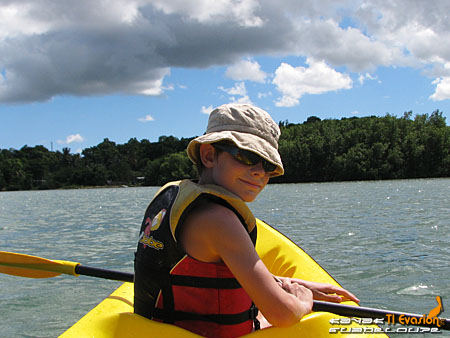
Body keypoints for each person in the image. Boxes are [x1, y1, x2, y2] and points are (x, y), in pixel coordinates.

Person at [134, 103, 359, 337]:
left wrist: (287, 284)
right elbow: (282, 314)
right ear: (209, 155)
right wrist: (303, 301)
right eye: (248, 156)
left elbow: (214, 274)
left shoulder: (176, 197)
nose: (260, 172)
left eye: (268, 165)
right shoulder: (219, 220)